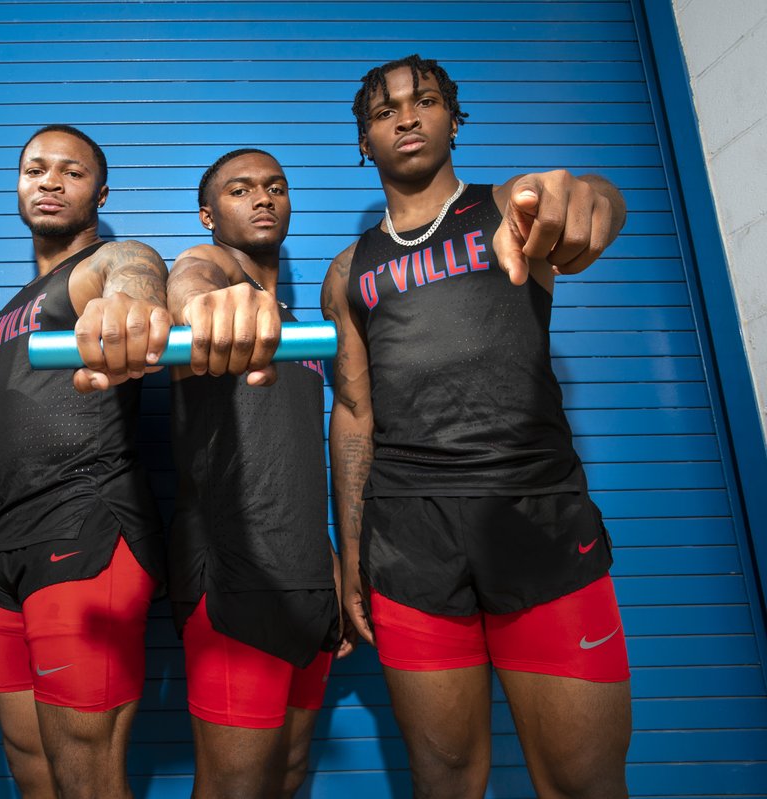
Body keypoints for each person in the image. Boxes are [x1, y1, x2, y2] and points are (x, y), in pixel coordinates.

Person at [322, 55, 632, 797]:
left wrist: (590, 199)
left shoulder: (514, 209)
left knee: (582, 782)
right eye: (385, 109)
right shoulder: (348, 271)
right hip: (408, 539)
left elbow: (592, 200)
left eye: (424, 100)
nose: (406, 116)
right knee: (445, 781)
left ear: (452, 119)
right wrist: (354, 552)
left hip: (537, 516)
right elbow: (355, 412)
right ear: (364, 140)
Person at [0, 124, 170, 799]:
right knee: (30, 763)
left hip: (87, 527)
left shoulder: (96, 269)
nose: (50, 181)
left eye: (71, 171)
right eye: (35, 169)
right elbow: (3, 428)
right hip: (7, 549)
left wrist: (133, 300)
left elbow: (134, 266)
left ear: (101, 190)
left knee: (87, 774)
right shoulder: (7, 313)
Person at [165, 148, 346, 798]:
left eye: (275, 186)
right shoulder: (213, 305)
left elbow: (289, 452)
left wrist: (328, 557)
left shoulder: (295, 329)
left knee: (287, 777)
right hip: (233, 578)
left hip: (305, 576)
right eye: (240, 190)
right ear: (210, 212)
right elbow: (189, 273)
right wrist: (201, 300)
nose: (263, 197)